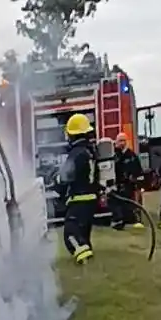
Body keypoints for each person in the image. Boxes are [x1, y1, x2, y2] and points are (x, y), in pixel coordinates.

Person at [57, 113, 100, 265]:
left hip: (79, 199)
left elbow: (66, 176)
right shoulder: (91, 152)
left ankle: (83, 258)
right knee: (83, 232)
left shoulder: (76, 153)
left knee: (70, 233)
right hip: (91, 200)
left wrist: (56, 181)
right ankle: (88, 260)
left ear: (72, 135)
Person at [110, 131, 145, 231]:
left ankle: (135, 220)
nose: (122, 143)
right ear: (116, 142)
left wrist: (137, 183)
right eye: (120, 141)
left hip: (129, 186)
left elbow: (138, 172)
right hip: (117, 185)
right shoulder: (114, 156)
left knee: (132, 204)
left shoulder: (132, 156)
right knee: (116, 204)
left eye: (123, 140)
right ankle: (119, 222)